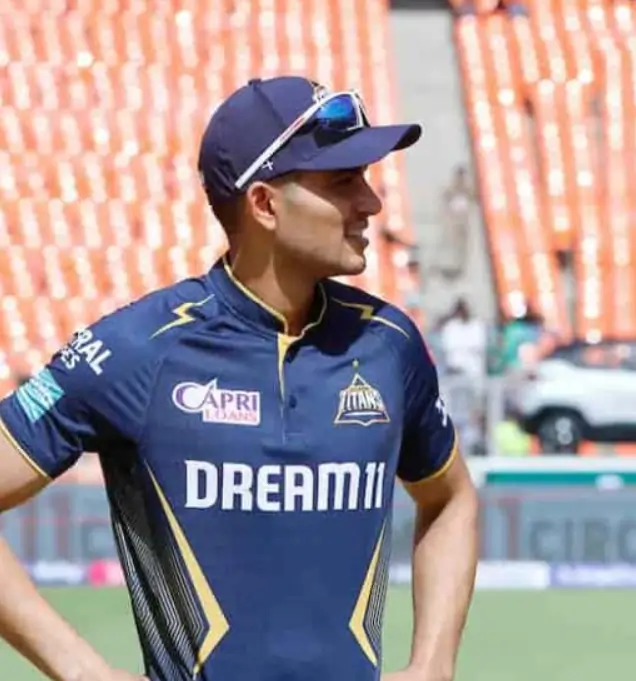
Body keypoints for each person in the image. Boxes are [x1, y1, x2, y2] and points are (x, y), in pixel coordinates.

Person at [0, 76, 479, 681]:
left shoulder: (389, 345)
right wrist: (80, 670)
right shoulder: (137, 349)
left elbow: (450, 499)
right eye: (343, 182)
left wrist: (433, 664)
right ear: (265, 204)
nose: (372, 203)